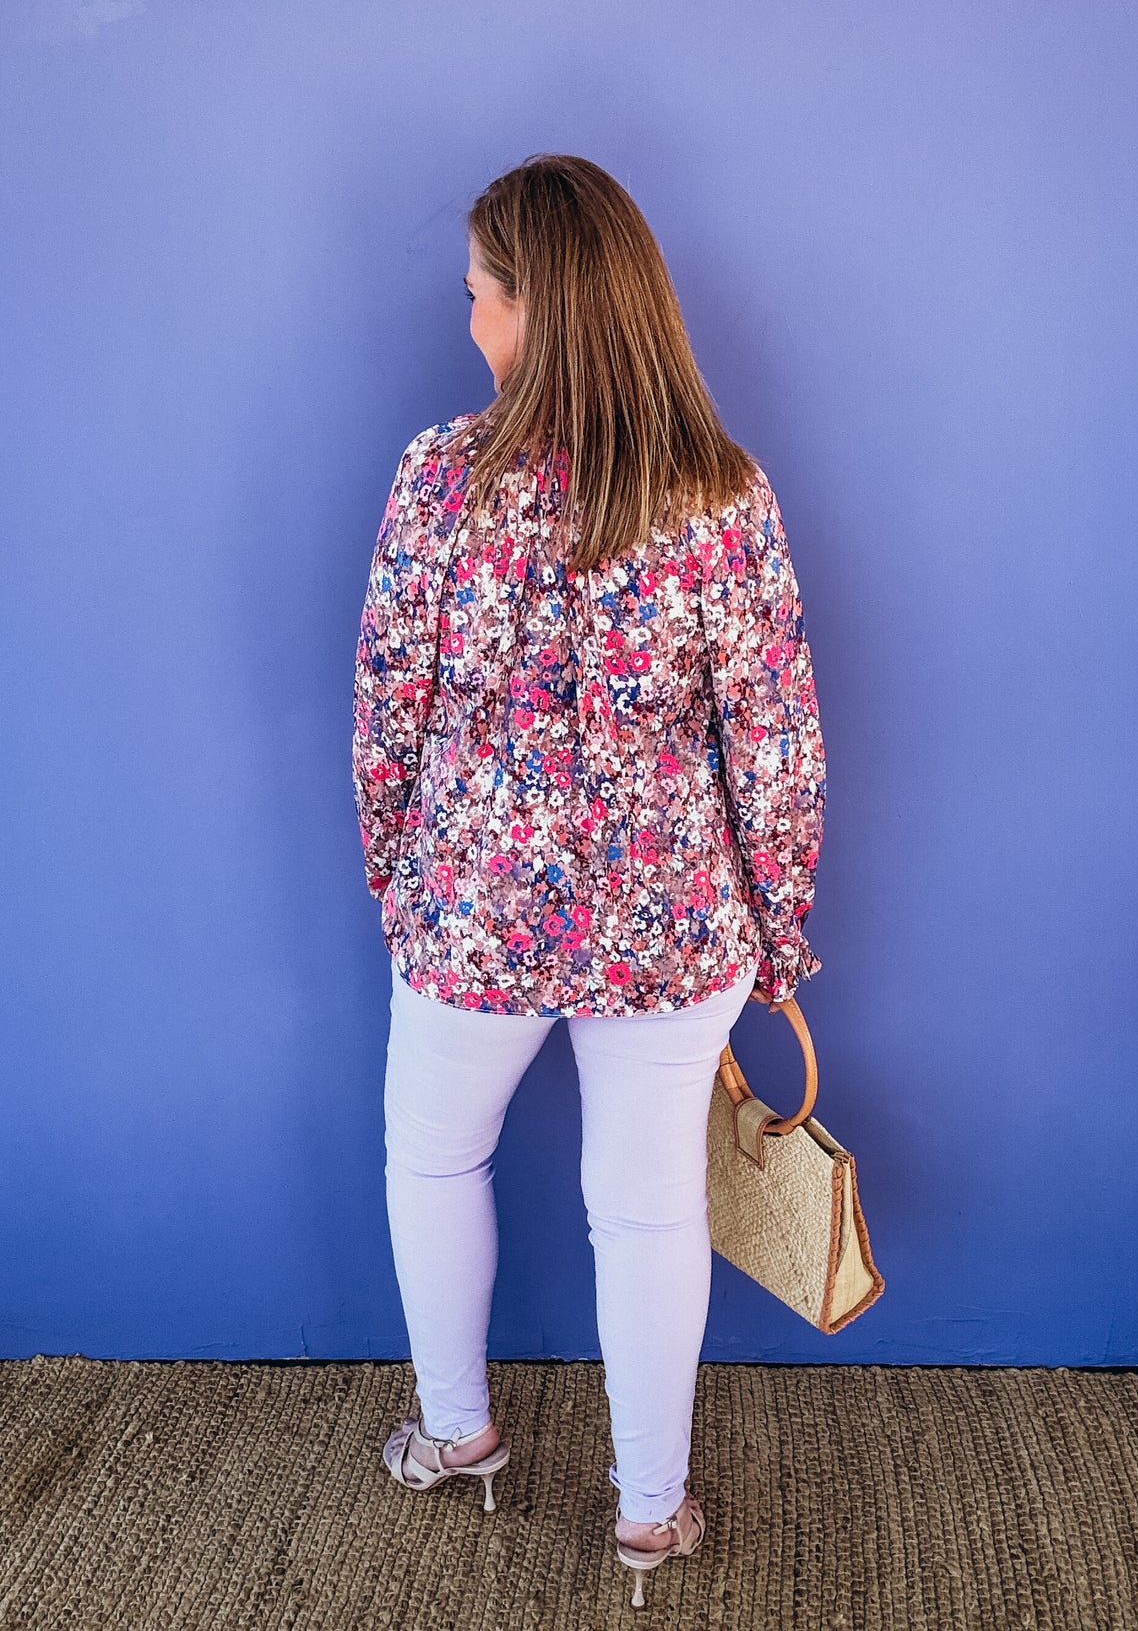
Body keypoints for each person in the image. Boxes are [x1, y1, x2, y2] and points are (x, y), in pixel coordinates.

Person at [351, 153, 825, 1605]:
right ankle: (649, 1513)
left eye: (481, 294)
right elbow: (776, 742)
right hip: (672, 919)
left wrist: (405, 883)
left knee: (437, 1157)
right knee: (648, 1206)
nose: (470, 322)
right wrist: (778, 928)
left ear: (536, 308)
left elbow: (388, 712)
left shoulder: (443, 480)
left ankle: (458, 1432)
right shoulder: (721, 494)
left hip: (474, 908)